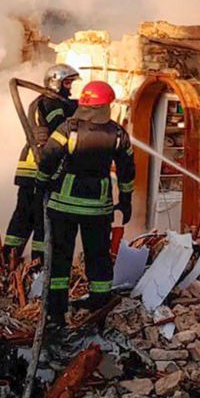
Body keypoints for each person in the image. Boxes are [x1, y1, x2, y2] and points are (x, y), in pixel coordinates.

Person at [36, 80, 135, 332]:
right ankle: (98, 312)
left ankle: (56, 313)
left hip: (64, 205)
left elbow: (48, 157)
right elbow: (127, 171)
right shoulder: (118, 134)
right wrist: (125, 201)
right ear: (105, 106)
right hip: (98, 209)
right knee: (98, 259)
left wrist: (42, 183)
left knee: (60, 259)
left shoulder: (68, 128)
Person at [2, 64, 79, 268]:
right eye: (67, 82)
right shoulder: (52, 103)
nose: (70, 87)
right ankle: (38, 265)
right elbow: (61, 128)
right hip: (41, 164)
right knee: (40, 216)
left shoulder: (43, 101)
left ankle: (9, 258)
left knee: (23, 215)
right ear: (55, 81)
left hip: (29, 164)